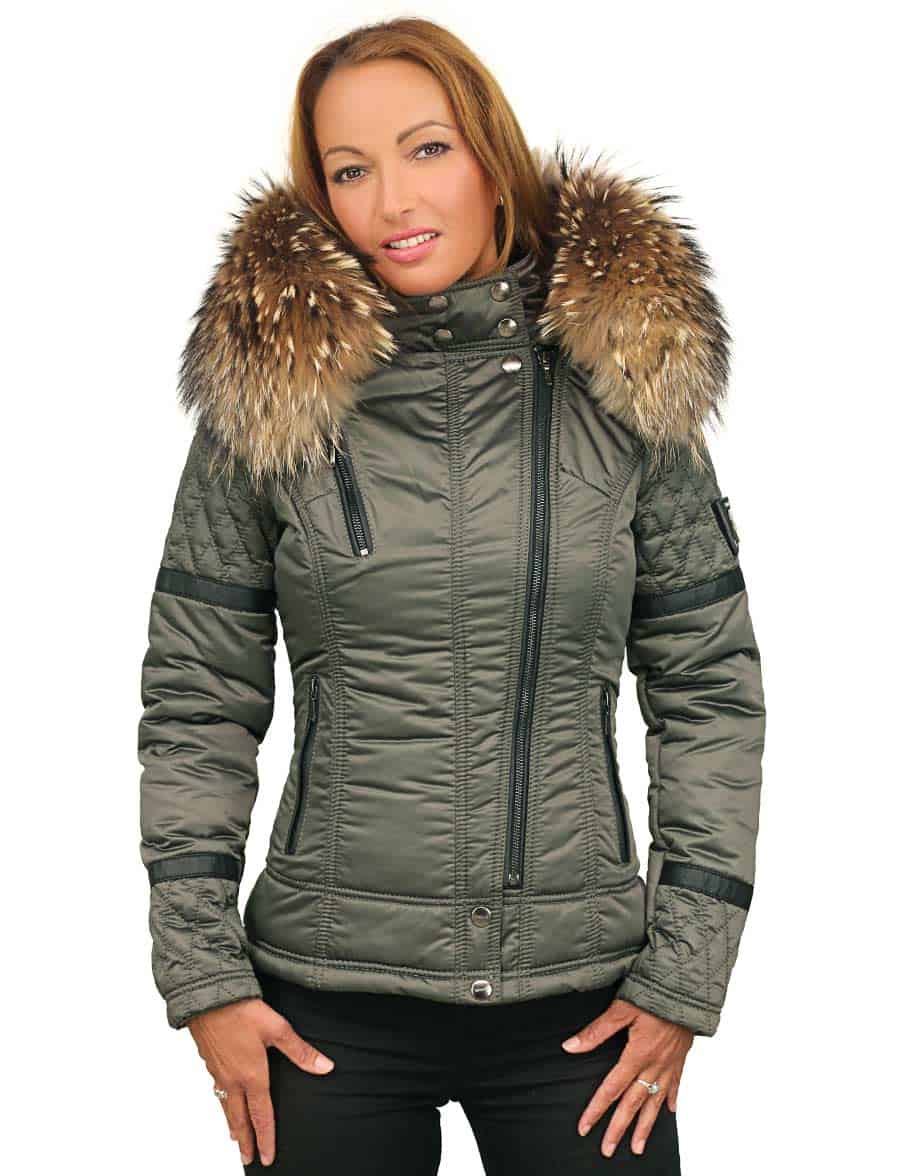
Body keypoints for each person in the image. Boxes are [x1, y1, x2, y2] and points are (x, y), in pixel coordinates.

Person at [137, 16, 766, 1174]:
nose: (391, 200)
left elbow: (711, 693)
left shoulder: (626, 376)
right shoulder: (269, 397)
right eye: (349, 169)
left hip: (583, 1004)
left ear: (492, 153)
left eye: (427, 148)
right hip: (326, 1003)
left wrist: (685, 975)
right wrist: (205, 978)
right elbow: (196, 700)